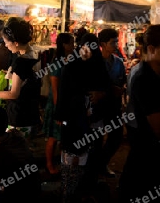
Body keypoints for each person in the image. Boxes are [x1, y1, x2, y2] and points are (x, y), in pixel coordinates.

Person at [54, 33, 110, 202]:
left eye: (91, 48)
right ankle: (71, 190)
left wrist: (101, 94)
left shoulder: (99, 65)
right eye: (85, 48)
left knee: (93, 153)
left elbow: (107, 87)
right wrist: (61, 116)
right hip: (74, 120)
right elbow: (63, 92)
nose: (87, 52)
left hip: (95, 120)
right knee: (73, 155)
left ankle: (87, 189)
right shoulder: (71, 65)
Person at [0, 20, 41, 139]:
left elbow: (13, 94)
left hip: (19, 118)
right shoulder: (34, 55)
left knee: (15, 151)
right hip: (32, 114)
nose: (5, 45)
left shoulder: (21, 63)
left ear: (15, 43)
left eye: (6, 42)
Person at [118, 25, 160, 203]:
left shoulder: (153, 73)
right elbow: (157, 124)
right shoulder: (144, 77)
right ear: (151, 49)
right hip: (145, 143)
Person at [42, 33, 74, 175]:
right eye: (71, 43)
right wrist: (58, 108)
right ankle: (49, 165)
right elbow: (55, 88)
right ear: (64, 45)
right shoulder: (58, 62)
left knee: (63, 136)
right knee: (53, 137)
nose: (74, 46)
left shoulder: (70, 60)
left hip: (65, 103)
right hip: (57, 104)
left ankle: (61, 163)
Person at [97, 28, 126, 177]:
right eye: (113, 42)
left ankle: (102, 163)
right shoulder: (94, 63)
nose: (116, 44)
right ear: (103, 44)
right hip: (97, 108)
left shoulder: (119, 62)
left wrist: (120, 90)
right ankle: (95, 168)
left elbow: (122, 82)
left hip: (114, 107)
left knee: (116, 137)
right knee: (96, 139)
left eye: (116, 41)